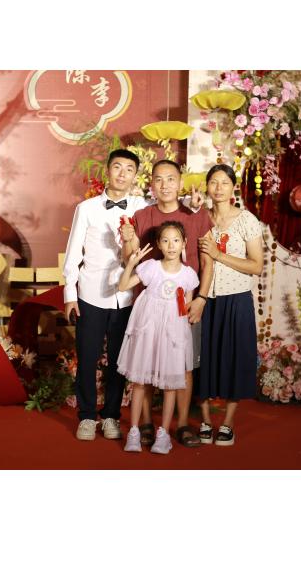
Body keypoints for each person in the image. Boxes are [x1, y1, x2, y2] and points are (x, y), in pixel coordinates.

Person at [121, 160, 213, 448]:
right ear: (151, 184)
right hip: (150, 306)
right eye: (158, 179)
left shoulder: (196, 214)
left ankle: (182, 424)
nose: (165, 185)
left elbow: (208, 261)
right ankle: (146, 424)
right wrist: (127, 240)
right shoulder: (141, 216)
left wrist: (201, 298)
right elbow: (130, 258)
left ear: (180, 182)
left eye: (171, 179)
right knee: (146, 365)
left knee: (183, 366)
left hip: (186, 303)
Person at [63, 149, 147, 441]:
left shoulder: (141, 207)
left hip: (127, 297)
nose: (122, 174)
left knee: (119, 361)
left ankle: (111, 415)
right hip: (91, 294)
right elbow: (73, 253)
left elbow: (171, 211)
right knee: (87, 358)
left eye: (129, 169)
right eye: (117, 167)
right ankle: (87, 416)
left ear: (135, 176)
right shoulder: (86, 208)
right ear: (108, 171)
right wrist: (70, 294)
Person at [117, 221, 199, 454]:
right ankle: (134, 431)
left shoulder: (188, 275)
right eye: (165, 240)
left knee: (170, 385)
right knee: (140, 381)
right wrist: (131, 263)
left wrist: (181, 333)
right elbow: (123, 286)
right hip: (148, 330)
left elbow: (186, 307)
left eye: (176, 240)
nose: (171, 245)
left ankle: (163, 434)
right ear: (158, 244)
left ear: (184, 243)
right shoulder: (151, 267)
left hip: (172, 334)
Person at [196, 164, 263, 446]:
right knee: (201, 357)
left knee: (235, 357)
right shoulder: (200, 217)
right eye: (213, 182)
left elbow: (256, 265)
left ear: (233, 186)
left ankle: (228, 422)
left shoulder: (246, 219)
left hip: (236, 299)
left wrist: (219, 255)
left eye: (224, 182)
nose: (219, 188)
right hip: (204, 299)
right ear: (207, 187)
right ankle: (204, 419)